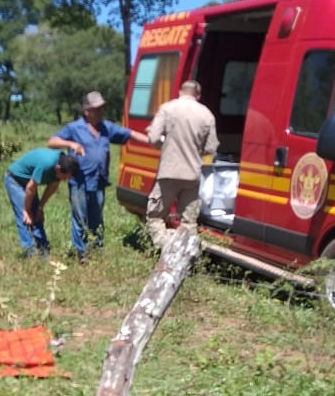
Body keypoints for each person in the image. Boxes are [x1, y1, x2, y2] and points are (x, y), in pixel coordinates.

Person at [48, 91, 150, 262]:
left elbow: (129, 134)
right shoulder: (74, 128)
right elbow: (52, 142)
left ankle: (95, 249)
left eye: (102, 108)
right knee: (80, 217)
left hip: (98, 181)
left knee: (96, 219)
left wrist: (151, 141)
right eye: (97, 109)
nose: (101, 111)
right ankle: (81, 253)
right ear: (87, 111)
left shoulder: (106, 127)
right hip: (79, 181)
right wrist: (71, 143)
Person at [144, 80, 219, 248]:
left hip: (168, 172)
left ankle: (164, 249)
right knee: (188, 221)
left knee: (155, 216)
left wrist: (164, 143)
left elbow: (154, 138)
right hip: (192, 174)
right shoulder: (206, 114)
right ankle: (186, 254)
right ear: (198, 96)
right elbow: (210, 148)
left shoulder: (168, 108)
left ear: (180, 92)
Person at [3, 149, 79, 258]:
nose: (64, 180)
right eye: (65, 177)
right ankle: (29, 253)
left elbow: (52, 187)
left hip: (29, 183)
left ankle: (43, 251)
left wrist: (40, 207)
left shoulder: (63, 163)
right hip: (15, 180)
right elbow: (31, 187)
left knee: (37, 217)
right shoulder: (47, 164)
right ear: (58, 169)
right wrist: (26, 210)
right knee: (24, 218)